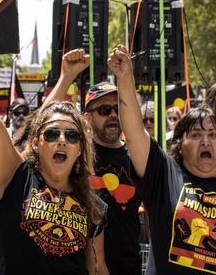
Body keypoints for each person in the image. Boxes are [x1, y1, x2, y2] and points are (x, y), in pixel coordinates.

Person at [108, 45, 216, 274]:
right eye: (196, 135)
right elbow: (133, 132)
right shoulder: (164, 175)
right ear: (180, 145)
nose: (206, 141)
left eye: (213, 135)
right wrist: (125, 77)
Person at [0, 25, 108, 274]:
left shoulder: (93, 205)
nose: (61, 140)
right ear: (36, 143)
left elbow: (96, 268)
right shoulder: (16, 177)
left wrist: (67, 77)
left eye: (71, 136)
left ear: (80, 148)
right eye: (51, 134)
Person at [40, 48, 142, 274]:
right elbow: (40, 127)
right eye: (105, 110)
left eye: (117, 108)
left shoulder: (137, 156)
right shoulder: (74, 154)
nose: (113, 115)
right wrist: (66, 77)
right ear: (87, 118)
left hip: (129, 267)